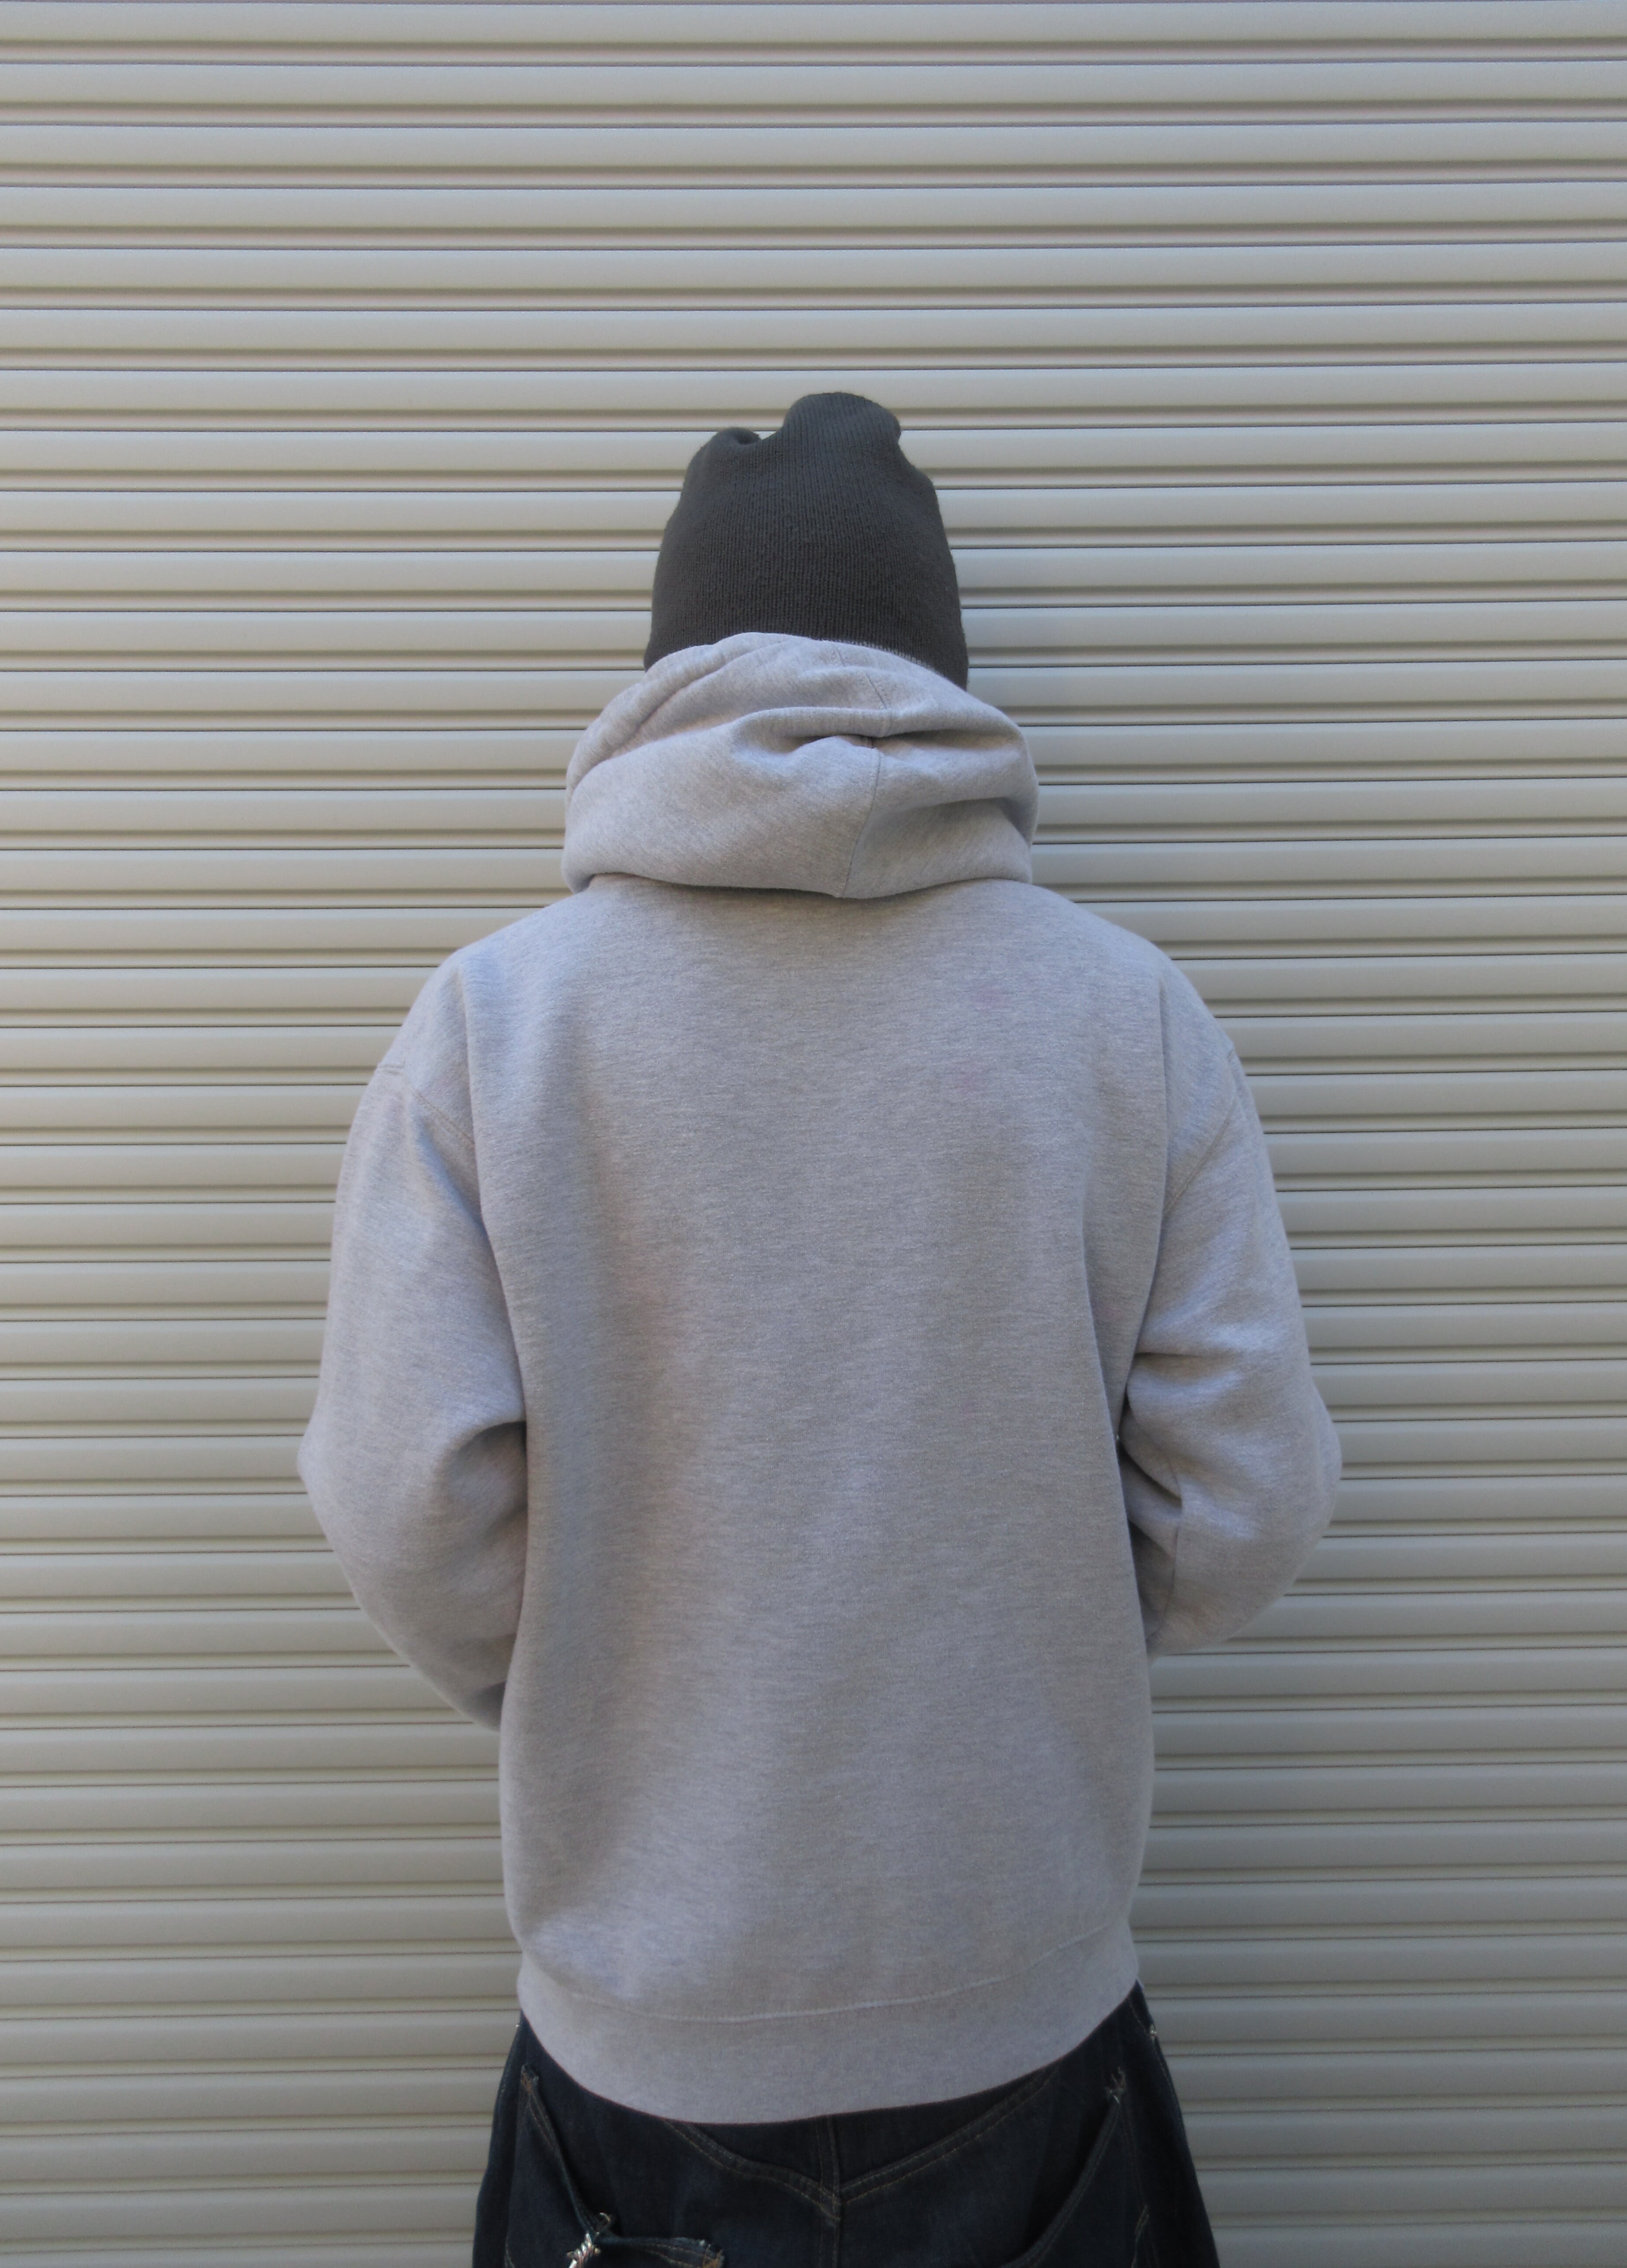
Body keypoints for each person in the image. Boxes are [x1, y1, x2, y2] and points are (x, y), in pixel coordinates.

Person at [299, 392, 1340, 2266]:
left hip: (641, 2063)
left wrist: (620, 1675)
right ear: (940, 674)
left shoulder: (496, 1027)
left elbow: (404, 1512)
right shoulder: (1127, 1021)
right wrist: (1025, 1635)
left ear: (664, 677)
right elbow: (1242, 1513)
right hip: (1026, 2032)